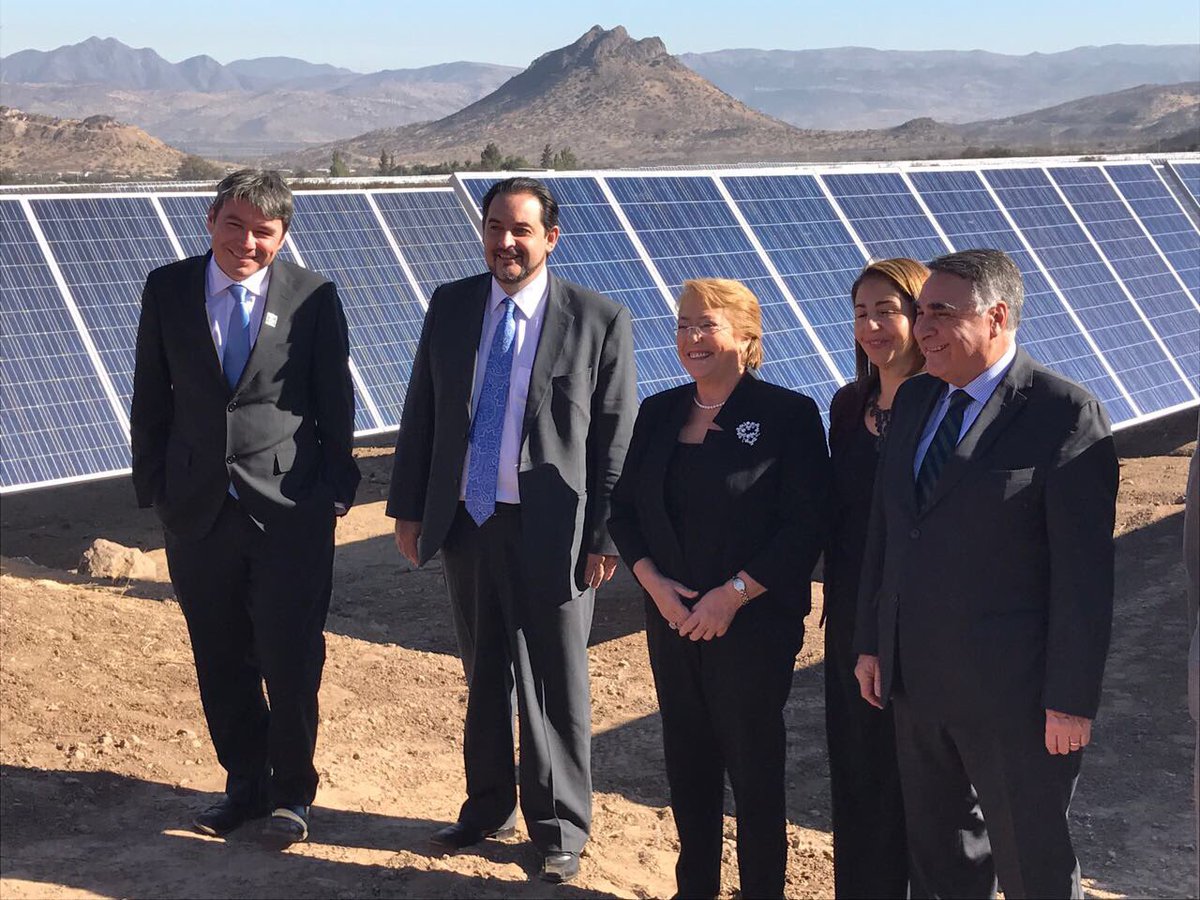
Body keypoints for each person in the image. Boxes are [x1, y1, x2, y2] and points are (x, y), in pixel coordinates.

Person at [386, 176, 637, 884]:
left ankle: (560, 827)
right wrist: (409, 506)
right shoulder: (452, 305)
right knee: (484, 672)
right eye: (495, 227)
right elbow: (423, 410)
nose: (506, 242)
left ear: (550, 238)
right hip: (469, 521)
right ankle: (487, 806)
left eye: (521, 230)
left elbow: (615, 436)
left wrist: (605, 536)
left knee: (556, 681)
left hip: (555, 531)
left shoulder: (597, 318)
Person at [854, 249, 1119, 898]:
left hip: (1015, 698)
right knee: (940, 860)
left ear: (996, 317)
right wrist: (872, 643)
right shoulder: (916, 399)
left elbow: (1084, 579)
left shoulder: (1063, 413)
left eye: (941, 313)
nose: (922, 329)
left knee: (1033, 865)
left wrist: (1070, 701)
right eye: (921, 313)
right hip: (918, 684)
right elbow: (887, 533)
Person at [131, 169, 360, 848]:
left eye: (264, 231)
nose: (247, 242)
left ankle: (292, 795)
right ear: (211, 220)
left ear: (283, 236)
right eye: (234, 224)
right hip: (198, 509)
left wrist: (335, 488)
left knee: (291, 657)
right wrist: (157, 489)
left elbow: (334, 400)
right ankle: (244, 785)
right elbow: (150, 395)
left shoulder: (312, 296)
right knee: (220, 653)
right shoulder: (168, 288)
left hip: (290, 509)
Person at [608, 278, 830, 899]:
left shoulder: (788, 415)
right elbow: (624, 511)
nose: (691, 338)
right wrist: (654, 585)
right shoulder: (659, 412)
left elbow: (805, 525)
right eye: (683, 325)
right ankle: (695, 888)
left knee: (754, 772)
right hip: (672, 619)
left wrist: (732, 595)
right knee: (687, 762)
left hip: (751, 625)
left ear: (746, 335)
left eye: (706, 324)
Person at [824, 258, 927, 898]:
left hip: (918, 619)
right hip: (850, 611)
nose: (872, 326)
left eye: (887, 311)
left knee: (918, 781)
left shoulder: (944, 404)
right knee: (858, 771)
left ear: (920, 314)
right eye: (861, 313)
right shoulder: (848, 404)